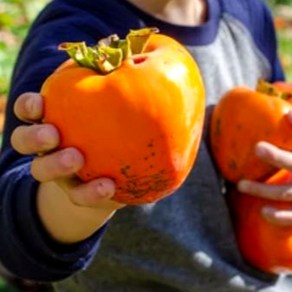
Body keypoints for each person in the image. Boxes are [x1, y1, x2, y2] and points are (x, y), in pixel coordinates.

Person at [0, 0, 292, 291]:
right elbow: (13, 230)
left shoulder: (250, 16)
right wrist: (77, 206)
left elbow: (277, 137)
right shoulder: (69, 34)